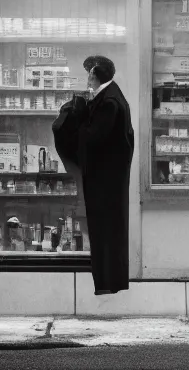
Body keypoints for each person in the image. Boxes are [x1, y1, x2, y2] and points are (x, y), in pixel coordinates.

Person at [52, 55, 134, 295]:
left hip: (105, 182)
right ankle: (109, 281)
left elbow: (93, 137)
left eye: (89, 73)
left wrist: (76, 120)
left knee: (106, 233)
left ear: (95, 75)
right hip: (109, 181)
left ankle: (109, 282)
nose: (87, 77)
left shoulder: (109, 102)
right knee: (108, 232)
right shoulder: (111, 96)